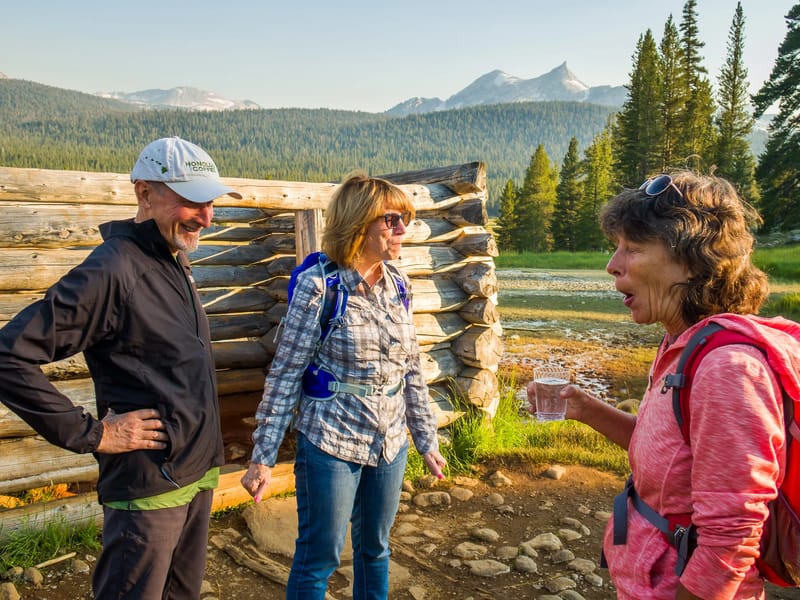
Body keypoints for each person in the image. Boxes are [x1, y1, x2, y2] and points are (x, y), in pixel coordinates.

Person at [529, 171, 800, 599]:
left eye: (632, 249)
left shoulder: (728, 369)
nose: (612, 265)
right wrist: (586, 409)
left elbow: (731, 536)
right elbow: (670, 456)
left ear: (693, 261)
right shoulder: (682, 341)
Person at [0, 136, 242, 600]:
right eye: (191, 201)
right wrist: (94, 434)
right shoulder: (112, 270)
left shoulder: (171, 257)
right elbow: (9, 355)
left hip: (193, 476)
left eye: (210, 201)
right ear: (144, 193)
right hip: (149, 491)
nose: (206, 217)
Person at [241, 173, 447, 600]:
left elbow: (410, 370)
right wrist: (262, 456)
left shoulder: (399, 286)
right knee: (320, 556)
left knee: (375, 549)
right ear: (359, 223)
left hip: (390, 442)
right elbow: (284, 375)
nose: (402, 230)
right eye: (392, 219)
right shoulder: (320, 287)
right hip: (330, 440)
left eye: (405, 219)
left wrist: (427, 439)